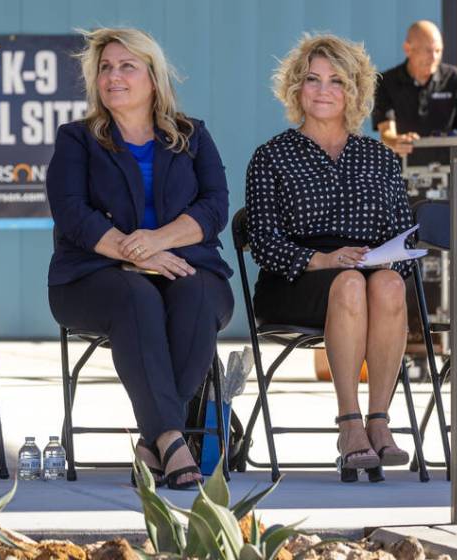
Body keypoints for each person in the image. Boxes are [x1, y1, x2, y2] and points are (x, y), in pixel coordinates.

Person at [46, 27, 233, 491]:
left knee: (198, 294)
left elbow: (214, 207)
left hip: (184, 266)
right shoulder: (77, 139)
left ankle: (154, 443)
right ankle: (172, 437)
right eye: (105, 68)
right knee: (136, 296)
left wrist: (157, 243)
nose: (113, 77)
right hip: (94, 275)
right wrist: (135, 251)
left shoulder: (192, 135)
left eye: (126, 66)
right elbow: (72, 213)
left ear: (153, 78)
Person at [246, 34, 414, 483]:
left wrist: (383, 260)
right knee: (350, 283)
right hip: (295, 278)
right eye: (312, 79)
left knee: (390, 284)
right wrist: (324, 260)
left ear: (354, 91)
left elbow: (404, 236)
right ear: (296, 89)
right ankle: (349, 425)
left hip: (368, 269)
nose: (323, 90)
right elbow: (263, 241)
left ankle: (380, 418)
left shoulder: (379, 157)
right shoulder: (272, 157)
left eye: (336, 81)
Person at [372, 20, 457, 156]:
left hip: (449, 170)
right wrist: (397, 141)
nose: (434, 57)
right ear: (407, 49)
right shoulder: (386, 82)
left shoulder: (455, 79)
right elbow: (386, 133)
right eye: (428, 51)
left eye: (438, 51)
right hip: (401, 170)